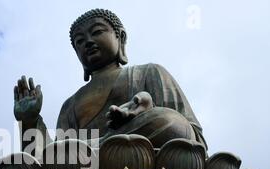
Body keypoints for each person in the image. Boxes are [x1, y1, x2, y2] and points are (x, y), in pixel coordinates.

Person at [14, 9, 207, 157]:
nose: (88, 42)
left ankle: (98, 148)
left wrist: (140, 116)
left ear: (120, 37)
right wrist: (29, 120)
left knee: (170, 122)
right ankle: (100, 147)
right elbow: (51, 154)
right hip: (83, 165)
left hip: (147, 157)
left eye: (97, 32)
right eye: (79, 41)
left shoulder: (149, 72)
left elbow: (191, 133)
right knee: (59, 156)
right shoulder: (70, 105)